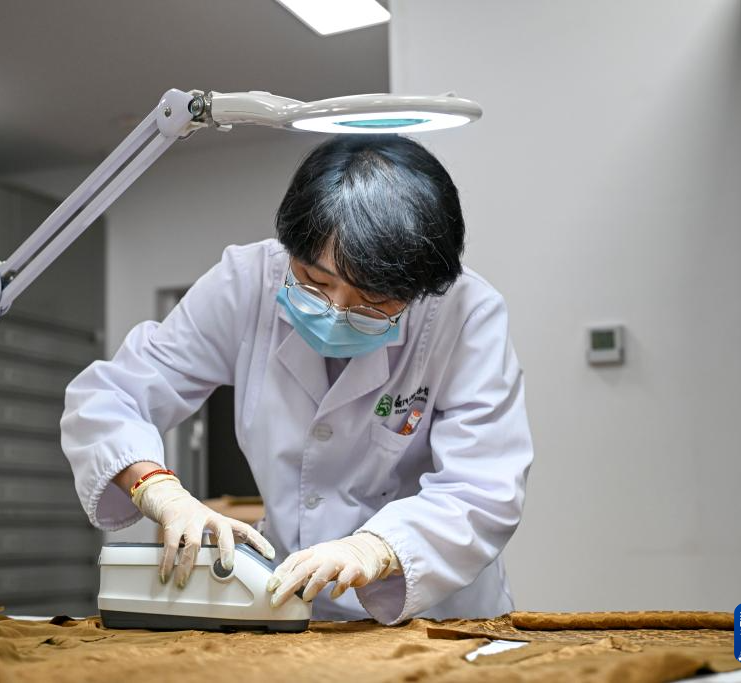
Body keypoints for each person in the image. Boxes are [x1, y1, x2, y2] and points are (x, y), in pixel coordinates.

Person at [60, 134, 533, 624]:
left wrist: (374, 548)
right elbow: (113, 396)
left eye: (374, 301)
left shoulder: (465, 314)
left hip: (435, 615)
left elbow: (482, 489)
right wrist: (160, 491)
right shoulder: (246, 282)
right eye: (315, 281)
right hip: (292, 605)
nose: (336, 312)